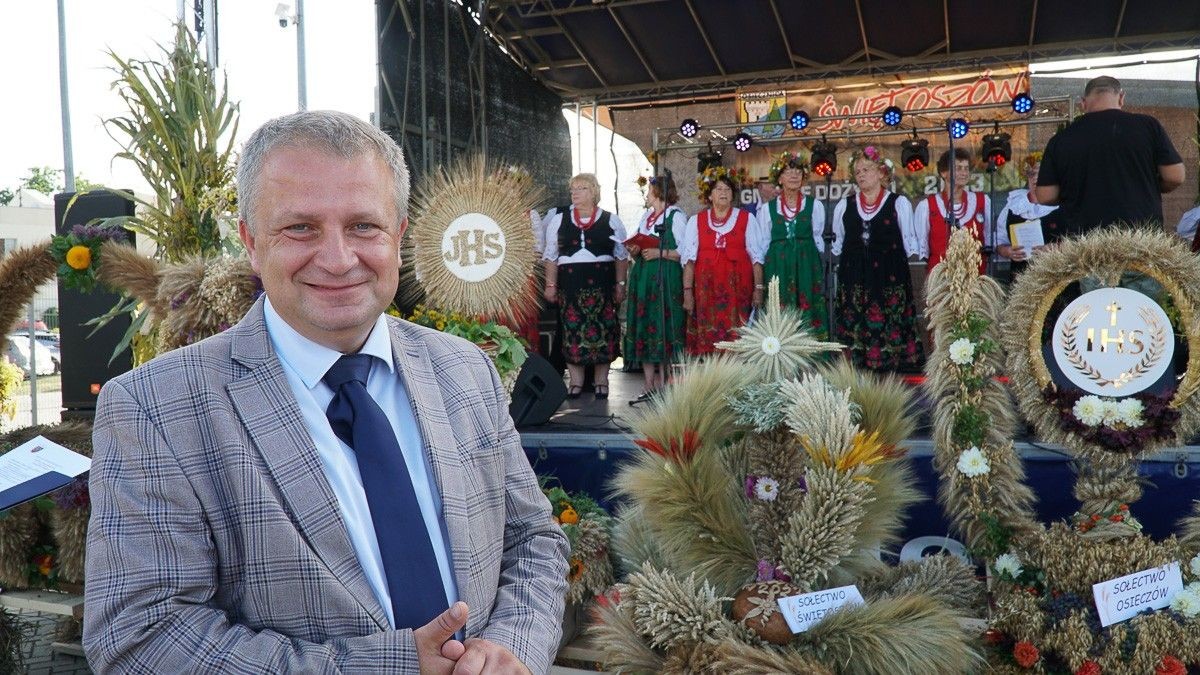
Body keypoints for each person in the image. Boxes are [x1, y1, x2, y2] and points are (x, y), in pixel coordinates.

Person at [84, 110, 569, 674]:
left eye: (364, 226)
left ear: (399, 236)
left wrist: (513, 648)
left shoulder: (464, 371)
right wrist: (391, 666)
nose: (338, 260)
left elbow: (533, 538)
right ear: (251, 241)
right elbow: (139, 638)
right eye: (300, 228)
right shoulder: (154, 408)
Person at [1035, 76, 1184, 234]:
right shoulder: (1148, 126)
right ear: (1121, 97)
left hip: (1085, 242)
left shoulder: (1060, 139)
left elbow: (1045, 196)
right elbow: (1175, 176)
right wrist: (1146, 186)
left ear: (1083, 103)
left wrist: (1075, 194)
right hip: (1141, 238)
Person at [831, 146, 924, 371]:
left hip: (888, 279)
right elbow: (838, 244)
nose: (861, 174)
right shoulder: (845, 205)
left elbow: (908, 243)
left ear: (882, 173)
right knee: (855, 330)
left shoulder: (898, 204)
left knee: (891, 327)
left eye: (867, 169)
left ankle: (896, 376)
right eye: (858, 171)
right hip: (855, 280)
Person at [542, 173, 629, 399]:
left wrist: (620, 284)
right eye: (573, 189)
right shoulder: (558, 221)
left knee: (605, 332)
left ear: (593, 192)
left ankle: (601, 381)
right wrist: (550, 285)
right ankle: (576, 383)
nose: (575, 193)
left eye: (580, 188)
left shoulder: (611, 220)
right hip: (571, 284)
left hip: (602, 284)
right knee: (572, 333)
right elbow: (551, 257)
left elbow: (621, 255)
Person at [680, 171, 764, 356]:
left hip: (738, 293)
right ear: (709, 195)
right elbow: (689, 261)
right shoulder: (696, 221)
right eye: (718, 189)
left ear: (733, 194)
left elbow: (756, 258)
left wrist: (759, 288)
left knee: (739, 337)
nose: (723, 192)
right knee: (709, 340)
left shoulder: (746, 219)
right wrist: (687, 293)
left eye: (727, 189)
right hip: (706, 293)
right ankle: (714, 380)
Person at [623, 175, 686, 401]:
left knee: (663, 325)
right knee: (645, 325)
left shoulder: (676, 217)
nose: (646, 194)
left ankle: (666, 381)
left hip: (666, 277)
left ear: (659, 192)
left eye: (649, 190)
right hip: (643, 277)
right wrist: (635, 249)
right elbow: (640, 242)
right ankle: (648, 383)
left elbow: (686, 251)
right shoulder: (646, 216)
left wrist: (661, 253)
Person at [751, 151, 827, 335]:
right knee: (780, 312)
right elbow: (762, 247)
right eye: (788, 172)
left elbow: (818, 241)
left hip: (807, 268)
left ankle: (812, 358)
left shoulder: (814, 205)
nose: (794, 175)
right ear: (780, 178)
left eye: (798, 172)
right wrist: (759, 284)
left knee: (809, 311)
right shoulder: (767, 210)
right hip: (778, 268)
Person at [914, 148, 993, 275]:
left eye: (966, 168)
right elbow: (924, 250)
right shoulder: (928, 206)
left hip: (975, 276)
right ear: (943, 173)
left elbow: (989, 238)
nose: (964, 172)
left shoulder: (982, 201)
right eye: (958, 168)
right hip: (941, 278)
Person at [996, 152, 1066, 272]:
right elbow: (999, 241)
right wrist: (1007, 252)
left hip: (1057, 278)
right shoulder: (1013, 206)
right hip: (1021, 278)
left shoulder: (1064, 206)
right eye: (1032, 173)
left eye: (1041, 173)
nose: (1035, 178)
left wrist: (1057, 248)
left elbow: (1079, 242)